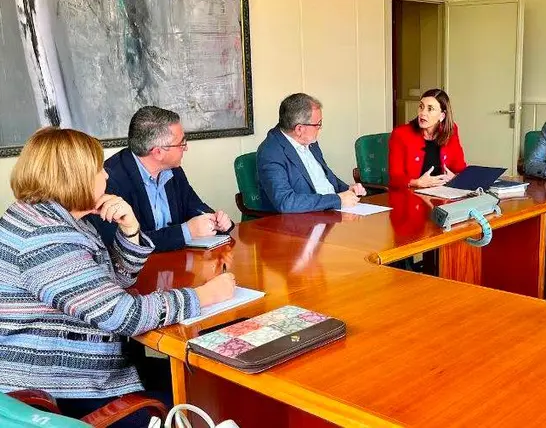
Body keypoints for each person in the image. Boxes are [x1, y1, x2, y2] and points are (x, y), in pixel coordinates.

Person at [0, 127, 235, 426]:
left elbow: (111, 284)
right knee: (206, 393)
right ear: (72, 177)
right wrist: (204, 295)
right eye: (98, 168)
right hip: (60, 387)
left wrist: (130, 231)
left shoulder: (54, 216)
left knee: (206, 378)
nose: (107, 176)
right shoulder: (46, 239)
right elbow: (123, 315)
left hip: (79, 364)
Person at [90, 106, 234, 252]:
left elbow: (194, 206)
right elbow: (121, 244)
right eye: (181, 143)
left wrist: (217, 221)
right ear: (158, 152)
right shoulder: (109, 179)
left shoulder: (173, 170)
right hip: (138, 271)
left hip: (177, 263)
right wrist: (186, 232)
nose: (186, 148)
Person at [257, 93, 366, 213]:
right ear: (299, 129)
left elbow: (325, 177)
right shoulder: (271, 153)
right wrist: (337, 200)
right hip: (299, 224)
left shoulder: (310, 142)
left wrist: (347, 189)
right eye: (318, 124)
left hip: (330, 214)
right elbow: (286, 202)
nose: (320, 128)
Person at [388, 89, 467, 189]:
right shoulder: (401, 134)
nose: (422, 113)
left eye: (430, 109)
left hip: (443, 193)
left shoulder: (451, 131)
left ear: (442, 116)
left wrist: (455, 177)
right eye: (421, 107)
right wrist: (416, 183)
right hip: (412, 195)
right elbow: (395, 178)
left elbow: (460, 168)